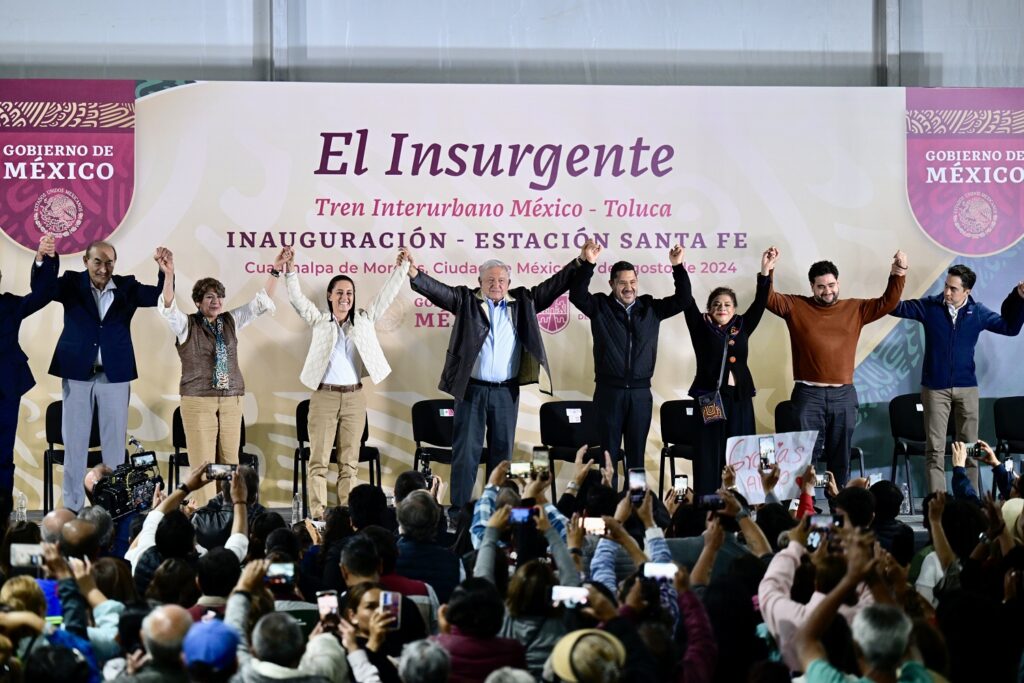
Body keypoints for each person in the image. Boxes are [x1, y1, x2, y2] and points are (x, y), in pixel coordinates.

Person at [402, 246, 584, 515]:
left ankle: (498, 512)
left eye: (501, 280)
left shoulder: (523, 302)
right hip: (471, 390)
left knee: (502, 457)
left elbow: (554, 285)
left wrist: (581, 261)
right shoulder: (466, 301)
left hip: (506, 393)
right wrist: (415, 273)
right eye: (490, 280)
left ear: (509, 283)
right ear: (480, 283)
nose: (496, 285)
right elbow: (439, 292)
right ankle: (460, 514)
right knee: (466, 456)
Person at [37, 240, 171, 511]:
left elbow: (161, 298)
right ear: (86, 262)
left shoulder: (127, 288)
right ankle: (73, 507)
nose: (103, 267)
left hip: (115, 376)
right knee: (74, 445)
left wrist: (166, 272)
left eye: (109, 262)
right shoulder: (71, 284)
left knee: (114, 447)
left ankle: (113, 507)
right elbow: (42, 289)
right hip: (77, 373)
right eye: (97, 261)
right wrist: (44, 259)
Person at [283, 246, 410, 516]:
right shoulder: (319, 320)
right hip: (324, 397)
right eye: (339, 292)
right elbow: (296, 298)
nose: (345, 298)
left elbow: (385, 297)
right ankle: (318, 516)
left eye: (349, 293)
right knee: (318, 462)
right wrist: (291, 270)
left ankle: (346, 516)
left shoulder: (363, 320)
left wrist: (401, 269)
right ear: (329, 296)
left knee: (349, 463)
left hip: (355, 398)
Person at [765, 248, 907, 487]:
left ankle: (839, 506)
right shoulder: (795, 306)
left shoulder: (856, 308)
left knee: (840, 456)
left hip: (843, 394)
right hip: (808, 394)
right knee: (803, 455)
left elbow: (888, 302)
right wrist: (767, 270)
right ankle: (804, 507)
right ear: (812, 287)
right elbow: (768, 299)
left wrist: (898, 271)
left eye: (831, 285)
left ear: (838, 283)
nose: (827, 290)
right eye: (821, 286)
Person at [158, 250, 282, 506]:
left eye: (219, 296)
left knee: (229, 463)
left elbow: (260, 303)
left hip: (231, 401)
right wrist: (169, 274)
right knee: (204, 464)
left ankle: (228, 512)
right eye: (209, 297)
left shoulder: (231, 321)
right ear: (198, 302)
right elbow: (169, 308)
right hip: (198, 401)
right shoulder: (186, 325)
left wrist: (276, 271)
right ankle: (203, 515)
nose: (216, 301)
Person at [889, 265, 1024, 493]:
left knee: (971, 449)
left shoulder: (978, 313)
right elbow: (894, 307)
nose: (947, 292)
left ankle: (968, 501)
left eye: (953, 288)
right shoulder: (929, 307)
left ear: (967, 291)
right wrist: (897, 275)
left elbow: (1010, 328)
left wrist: (1018, 297)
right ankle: (938, 504)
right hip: (934, 389)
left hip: (967, 388)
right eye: (946, 286)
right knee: (935, 450)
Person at [569, 240, 690, 479]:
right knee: (607, 458)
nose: (628, 287)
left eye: (632, 282)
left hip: (640, 394)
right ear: (612, 283)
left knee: (636, 459)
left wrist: (678, 266)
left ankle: (634, 510)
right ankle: (607, 508)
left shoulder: (651, 308)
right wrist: (588, 264)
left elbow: (684, 299)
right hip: (608, 393)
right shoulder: (600, 306)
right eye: (622, 282)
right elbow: (577, 295)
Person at [682, 247, 771, 496]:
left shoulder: (742, 325)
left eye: (727, 304)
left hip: (739, 398)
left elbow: (761, 302)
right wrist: (679, 267)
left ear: (734, 308)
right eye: (717, 304)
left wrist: (765, 272)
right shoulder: (700, 326)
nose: (722, 307)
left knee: (740, 450)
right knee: (710, 451)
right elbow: (687, 299)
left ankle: (740, 499)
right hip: (710, 397)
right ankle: (708, 502)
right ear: (710, 308)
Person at [1, 234, 57, 518]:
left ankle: (2, 518)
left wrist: (42, 259)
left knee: (2, 458)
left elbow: (44, 294)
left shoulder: (10, 305)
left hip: (5, 390)